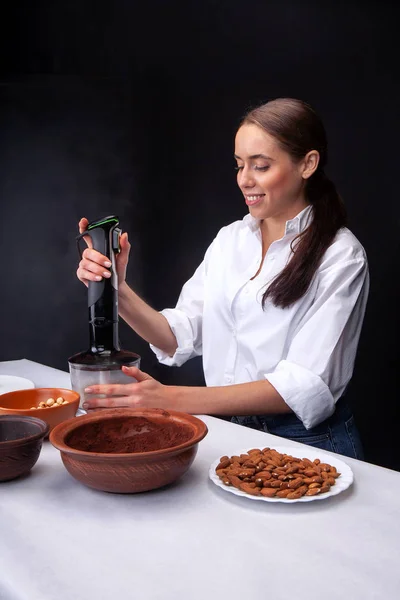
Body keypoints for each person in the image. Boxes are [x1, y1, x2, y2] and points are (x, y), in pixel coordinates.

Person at [76, 98, 369, 459]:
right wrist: (116, 288)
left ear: (307, 164)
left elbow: (305, 386)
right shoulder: (230, 239)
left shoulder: (341, 255)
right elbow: (178, 335)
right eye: (239, 165)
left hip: (306, 442)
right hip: (227, 432)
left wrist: (171, 398)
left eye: (261, 166)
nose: (245, 179)